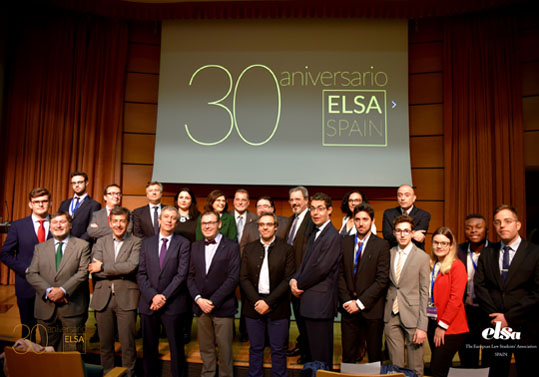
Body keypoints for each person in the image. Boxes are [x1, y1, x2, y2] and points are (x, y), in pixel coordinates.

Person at [474, 204, 539, 377]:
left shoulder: (535, 252)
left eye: (507, 221)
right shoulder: (487, 253)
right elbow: (480, 287)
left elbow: (537, 292)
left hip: (525, 329)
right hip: (494, 328)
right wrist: (497, 319)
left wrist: (508, 318)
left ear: (518, 225)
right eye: (497, 222)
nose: (502, 225)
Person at [137, 206, 191, 377]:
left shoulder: (183, 243)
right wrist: (153, 296)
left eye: (173, 218)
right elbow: (141, 273)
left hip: (173, 304)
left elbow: (181, 274)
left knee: (176, 347)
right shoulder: (146, 243)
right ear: (159, 220)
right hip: (149, 303)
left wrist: (163, 297)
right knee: (149, 347)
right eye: (166, 217)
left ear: (176, 222)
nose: (169, 220)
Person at [289, 192, 342, 367]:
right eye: (312, 209)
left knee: (321, 357)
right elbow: (305, 263)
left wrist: (299, 284)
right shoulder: (315, 234)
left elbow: (320, 269)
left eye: (320, 209)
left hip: (320, 304)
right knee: (312, 356)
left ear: (329, 210)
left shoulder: (332, 236)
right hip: (310, 303)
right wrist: (294, 280)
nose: (315, 213)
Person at [88, 207, 141, 377]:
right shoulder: (100, 242)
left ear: (128, 223)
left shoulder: (136, 242)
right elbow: (93, 269)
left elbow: (131, 266)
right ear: (110, 222)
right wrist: (118, 269)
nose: (118, 225)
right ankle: (108, 374)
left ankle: (129, 375)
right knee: (105, 345)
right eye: (115, 221)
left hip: (127, 298)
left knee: (127, 344)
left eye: (122, 221)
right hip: (103, 297)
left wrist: (103, 266)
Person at [26, 211, 90, 351]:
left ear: (70, 225)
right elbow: (32, 273)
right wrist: (49, 291)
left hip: (73, 311)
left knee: (74, 351)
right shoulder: (40, 248)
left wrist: (62, 291)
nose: (58, 225)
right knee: (47, 351)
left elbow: (83, 272)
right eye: (55, 222)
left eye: (62, 222)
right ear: (50, 227)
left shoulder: (82, 246)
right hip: (46, 309)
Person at [240, 212, 295, 377]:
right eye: (262, 224)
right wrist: (258, 301)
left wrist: (268, 302)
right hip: (253, 306)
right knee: (255, 348)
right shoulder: (249, 249)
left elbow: (287, 280)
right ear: (258, 228)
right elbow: (243, 278)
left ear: (276, 227)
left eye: (269, 224)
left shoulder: (287, 250)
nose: (265, 227)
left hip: (278, 307)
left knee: (278, 350)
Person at [188, 211, 240, 377]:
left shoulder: (232, 246)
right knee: (206, 348)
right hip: (201, 306)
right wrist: (198, 299)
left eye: (211, 222)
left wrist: (212, 301)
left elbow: (233, 278)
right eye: (204, 223)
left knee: (225, 350)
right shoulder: (194, 246)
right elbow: (189, 276)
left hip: (223, 306)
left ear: (219, 224)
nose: (207, 226)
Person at [338, 203, 389, 363]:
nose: (361, 223)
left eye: (365, 219)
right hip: (348, 309)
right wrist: (347, 300)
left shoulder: (382, 245)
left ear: (372, 221)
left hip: (371, 309)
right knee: (348, 354)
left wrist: (359, 303)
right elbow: (338, 274)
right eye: (357, 219)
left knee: (374, 355)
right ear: (352, 221)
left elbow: (382, 280)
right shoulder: (344, 242)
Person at [0, 188, 52, 341]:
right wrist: (26, 269)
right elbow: (5, 254)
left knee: (52, 331)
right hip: (26, 284)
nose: (40, 205)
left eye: (44, 201)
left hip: (52, 285)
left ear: (50, 203)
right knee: (28, 330)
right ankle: (28, 362)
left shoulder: (59, 223)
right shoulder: (18, 226)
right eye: (36, 202)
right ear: (30, 204)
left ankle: (52, 363)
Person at [384, 215, 429, 377]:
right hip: (391, 315)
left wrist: (422, 326)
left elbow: (425, 292)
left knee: (415, 368)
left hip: (413, 317)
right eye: (399, 231)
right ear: (394, 233)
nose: (402, 234)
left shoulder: (422, 257)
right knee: (394, 368)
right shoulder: (387, 254)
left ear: (412, 233)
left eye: (406, 231)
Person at [426, 227, 469, 377]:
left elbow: (455, 300)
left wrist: (442, 326)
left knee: (437, 370)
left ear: (451, 245)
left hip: (450, 327)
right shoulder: (431, 264)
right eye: (436, 242)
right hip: (432, 322)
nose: (439, 246)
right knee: (443, 367)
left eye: (444, 243)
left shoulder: (457, 266)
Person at [456, 214, 492, 368]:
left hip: (489, 312)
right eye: (469, 228)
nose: (473, 231)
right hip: (466, 311)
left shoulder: (496, 251)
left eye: (478, 227)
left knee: (491, 359)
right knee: (468, 357)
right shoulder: (458, 251)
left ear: (487, 230)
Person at [285, 186, 315, 362]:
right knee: (299, 319)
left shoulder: (311, 221)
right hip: (292, 280)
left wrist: (300, 280)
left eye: (298, 199)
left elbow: (309, 254)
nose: (294, 203)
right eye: (292, 200)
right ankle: (302, 345)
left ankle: (308, 354)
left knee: (306, 321)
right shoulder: (292, 220)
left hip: (303, 281)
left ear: (306, 200)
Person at [382, 184, 431, 250]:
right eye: (399, 195)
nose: (402, 198)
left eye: (407, 195)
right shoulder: (388, 213)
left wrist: (398, 234)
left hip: (415, 253)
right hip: (393, 252)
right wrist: (413, 235)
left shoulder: (423, 215)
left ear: (414, 198)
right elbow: (388, 236)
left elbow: (418, 239)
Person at [58, 171, 101, 242]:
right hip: (63, 243)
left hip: (81, 245)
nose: (76, 185)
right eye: (74, 183)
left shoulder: (94, 205)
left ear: (86, 183)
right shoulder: (64, 204)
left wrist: (78, 244)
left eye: (80, 182)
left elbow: (92, 229)